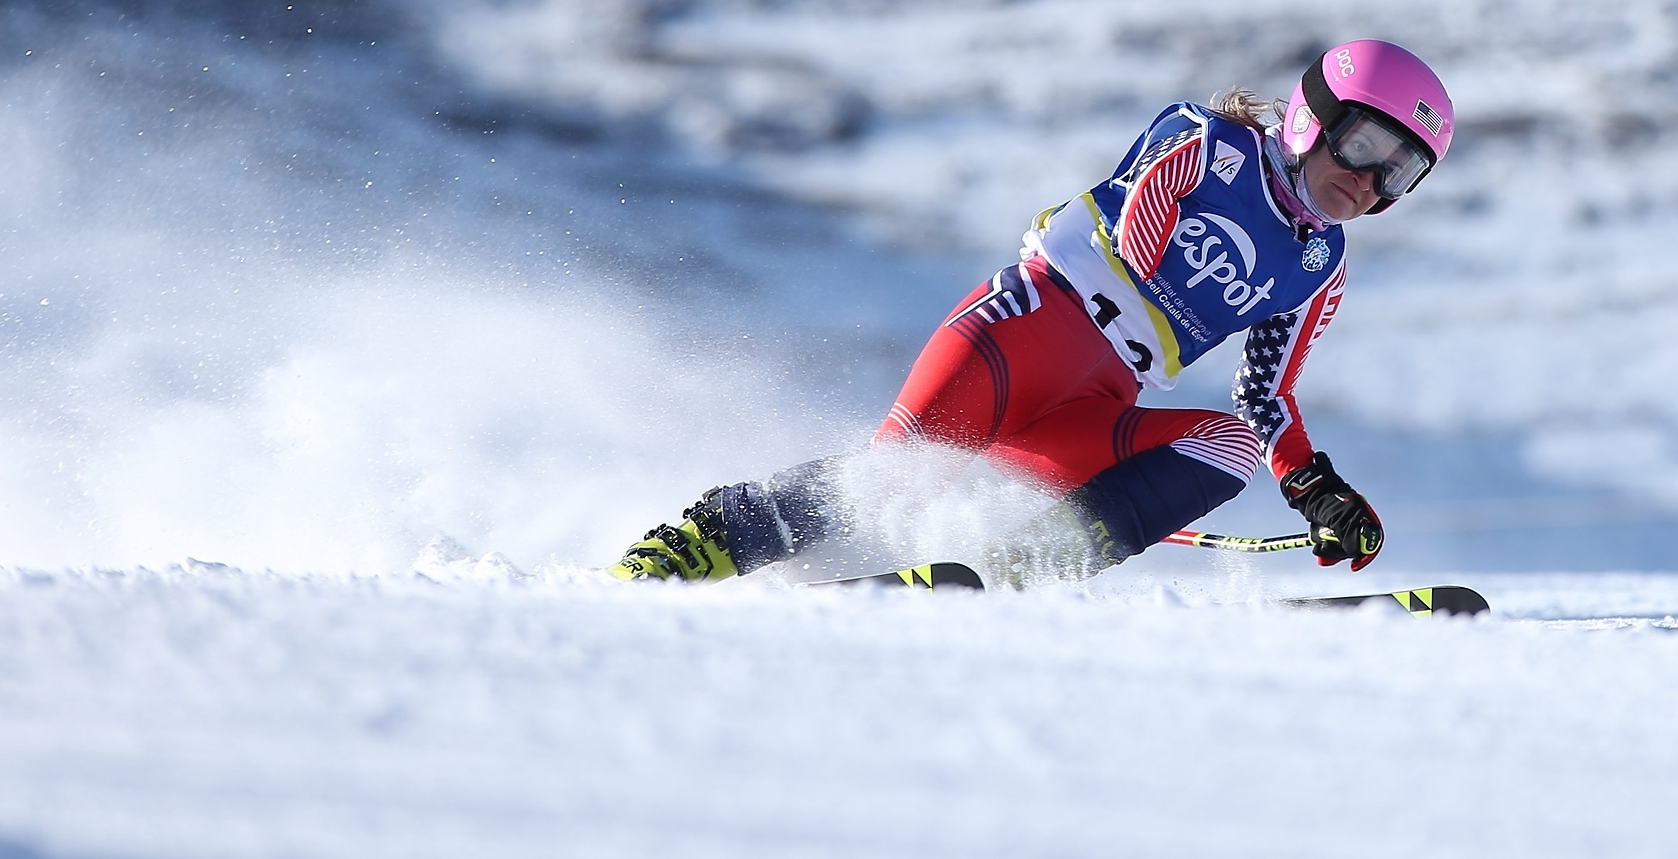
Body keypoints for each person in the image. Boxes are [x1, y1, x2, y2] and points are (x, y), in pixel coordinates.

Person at [609, 39, 1457, 585]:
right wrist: (1206, 236)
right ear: (1316, 117)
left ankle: (1027, 567)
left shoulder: (1320, 267)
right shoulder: (1208, 142)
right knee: (893, 481)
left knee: (1230, 446)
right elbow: (1143, 211)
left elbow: (1265, 397)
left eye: (1403, 172)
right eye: (1367, 147)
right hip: (1021, 333)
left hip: (1097, 401)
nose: (1373, 180)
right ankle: (696, 546)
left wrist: (1314, 489)